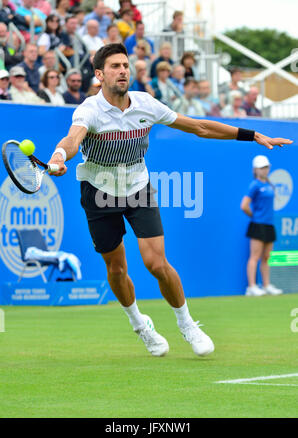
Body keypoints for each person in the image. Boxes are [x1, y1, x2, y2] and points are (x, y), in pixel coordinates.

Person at [47, 43, 291, 358]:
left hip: (138, 187)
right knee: (117, 269)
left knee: (156, 263)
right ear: (98, 75)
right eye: (115, 67)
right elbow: (72, 139)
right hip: (99, 192)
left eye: (125, 65)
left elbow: (199, 126)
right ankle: (140, 325)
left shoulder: (146, 104)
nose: (123, 71)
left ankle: (187, 323)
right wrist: (57, 155)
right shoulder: (89, 110)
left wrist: (252, 134)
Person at [240, 155, 283, 296]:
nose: (265, 170)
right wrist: (255, 216)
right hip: (258, 225)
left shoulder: (270, 185)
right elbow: (244, 205)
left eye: (266, 167)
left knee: (266, 257)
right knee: (255, 256)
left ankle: (266, 285)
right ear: (255, 170)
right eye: (262, 168)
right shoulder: (255, 185)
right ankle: (251, 287)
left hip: (269, 225)